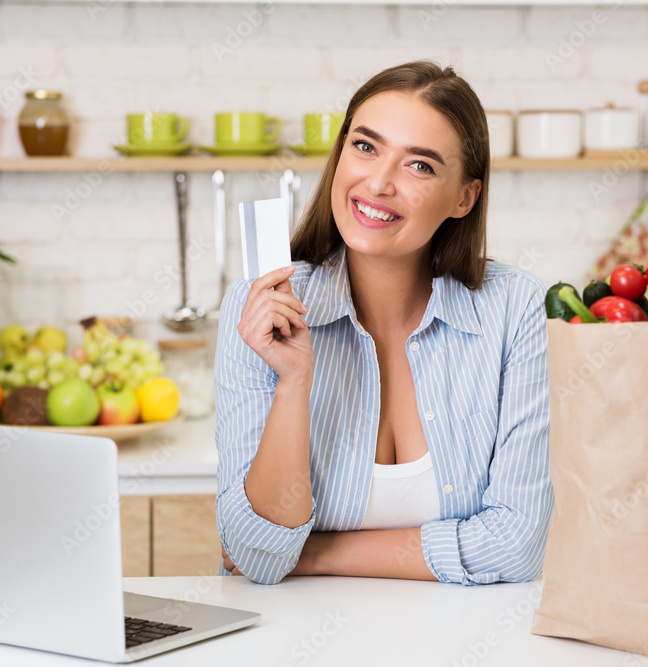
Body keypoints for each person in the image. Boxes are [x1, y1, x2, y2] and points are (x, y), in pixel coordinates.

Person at [215, 60, 553, 586]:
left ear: (464, 197)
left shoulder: (516, 309)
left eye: (419, 165)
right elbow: (259, 556)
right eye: (365, 146)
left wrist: (313, 555)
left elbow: (516, 547)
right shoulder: (262, 306)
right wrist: (293, 383)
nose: (378, 182)